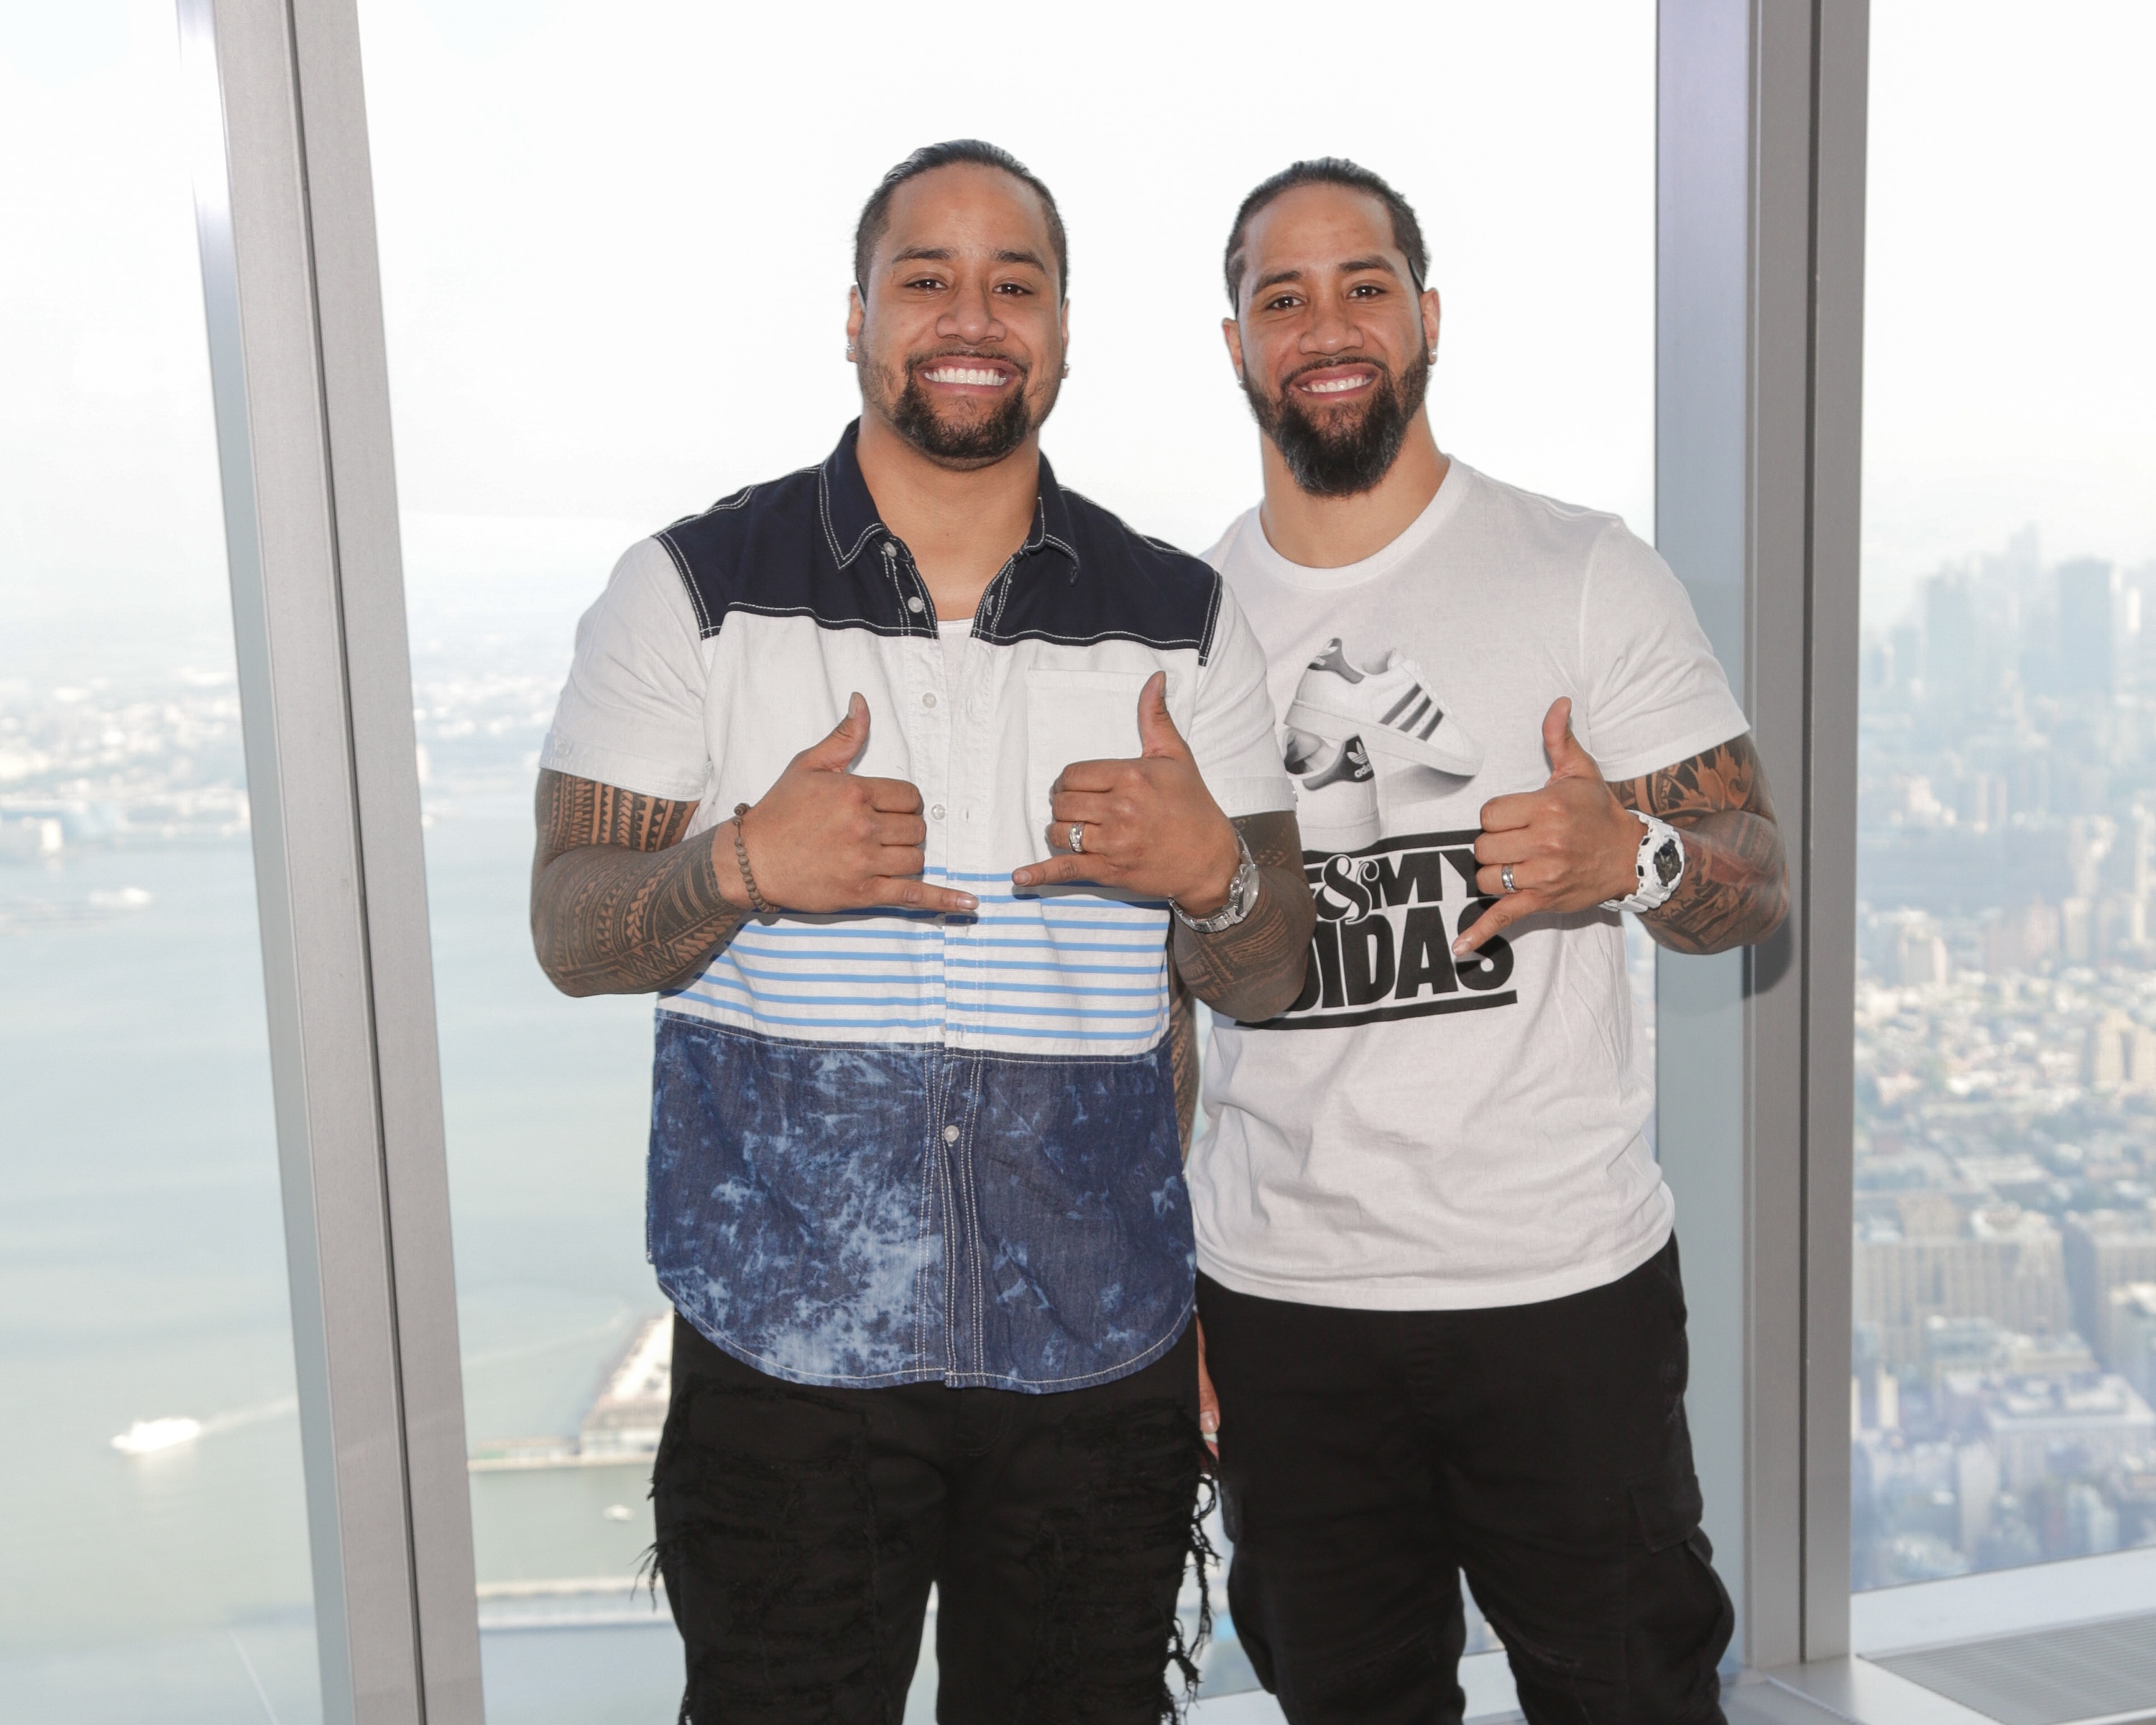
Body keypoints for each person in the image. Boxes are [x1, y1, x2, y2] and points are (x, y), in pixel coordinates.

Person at [528, 139, 1312, 1724]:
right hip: (787, 1366)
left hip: (1096, 1361)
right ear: (858, 317)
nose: (973, 314)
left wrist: (1209, 869)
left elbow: (1271, 967)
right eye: (928, 278)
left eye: (1014, 283)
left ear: (1066, 330)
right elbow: (570, 926)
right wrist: (743, 862)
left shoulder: (1184, 618)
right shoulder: (686, 591)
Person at [1189, 158, 1789, 1725]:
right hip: (1282, 1303)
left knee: (1633, 1699)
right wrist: (1162, 1292)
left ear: (1428, 317)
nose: (1328, 323)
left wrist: (1632, 852)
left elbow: (1757, 880)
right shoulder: (1178, 626)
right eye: (1284, 294)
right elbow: (1148, 1003)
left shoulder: (1581, 570)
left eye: (1364, 285)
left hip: (1560, 1292)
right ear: (1238, 344)